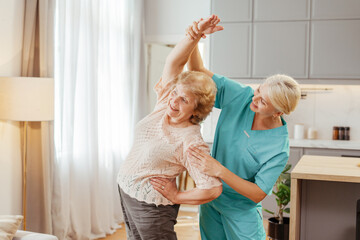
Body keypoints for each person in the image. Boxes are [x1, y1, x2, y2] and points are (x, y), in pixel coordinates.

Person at [154, 19, 301, 239]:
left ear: (278, 112)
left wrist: (219, 170)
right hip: (211, 200)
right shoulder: (243, 96)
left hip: (241, 211)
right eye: (259, 90)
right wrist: (196, 38)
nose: (256, 98)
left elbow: (258, 193)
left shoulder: (277, 147)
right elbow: (200, 72)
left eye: (263, 101)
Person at [116, 15, 224, 240]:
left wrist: (177, 195)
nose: (174, 102)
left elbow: (212, 188)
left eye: (184, 100)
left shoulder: (190, 141)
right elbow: (173, 63)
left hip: (152, 207)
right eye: (175, 93)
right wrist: (193, 36)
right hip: (128, 192)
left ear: (197, 110)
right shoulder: (166, 103)